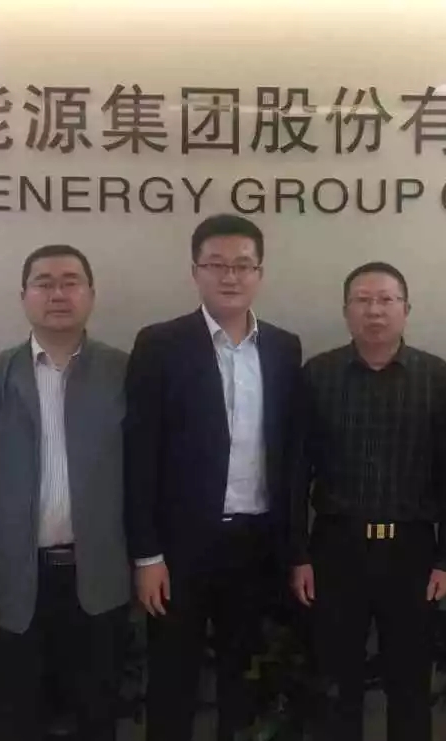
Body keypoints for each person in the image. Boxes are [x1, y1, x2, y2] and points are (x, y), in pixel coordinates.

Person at [126, 214, 302, 741]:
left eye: (243, 265)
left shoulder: (283, 348)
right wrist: (147, 555)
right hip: (179, 549)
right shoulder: (160, 344)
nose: (230, 276)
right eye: (217, 265)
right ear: (195, 271)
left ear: (259, 273)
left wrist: (293, 549)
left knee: (243, 682)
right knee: (172, 679)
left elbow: (292, 455)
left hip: (255, 543)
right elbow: (140, 454)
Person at [0, 245, 131, 741]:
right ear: (23, 295)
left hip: (99, 582)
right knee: (14, 721)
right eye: (44, 283)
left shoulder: (123, 371)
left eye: (71, 281)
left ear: (91, 294)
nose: (58, 293)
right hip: (12, 586)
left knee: (96, 718)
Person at [290, 261, 446, 741]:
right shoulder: (318, 374)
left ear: (406, 309)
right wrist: (298, 555)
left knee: (410, 685)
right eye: (363, 300)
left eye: (386, 300)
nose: (375, 311)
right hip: (336, 549)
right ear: (346, 311)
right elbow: (294, 475)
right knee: (335, 684)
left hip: (412, 552)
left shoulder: (434, 375)